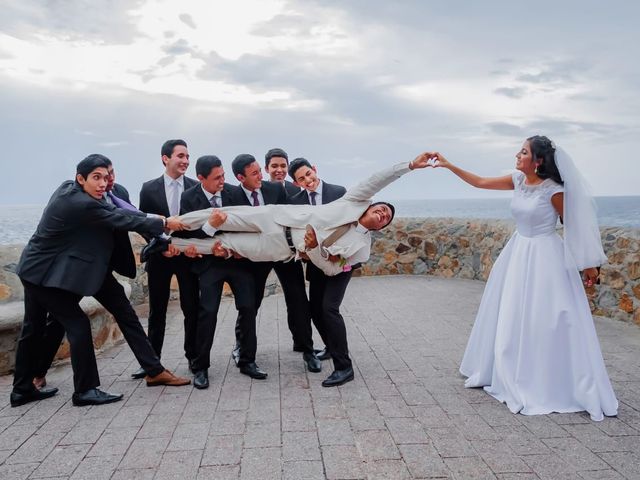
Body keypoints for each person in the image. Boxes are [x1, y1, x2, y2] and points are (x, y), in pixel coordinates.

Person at [163, 152, 434, 386]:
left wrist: (314, 248)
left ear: (381, 227)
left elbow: (330, 268)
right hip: (274, 217)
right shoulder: (351, 201)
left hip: (281, 249)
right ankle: (167, 226)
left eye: (386, 218)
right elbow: (377, 179)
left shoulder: (360, 248)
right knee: (223, 218)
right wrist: (409, 165)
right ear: (373, 205)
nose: (383, 214)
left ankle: (166, 244)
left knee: (224, 243)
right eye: (383, 208)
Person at [432, 135, 617, 421]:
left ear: (538, 160)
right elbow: (480, 182)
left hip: (546, 256)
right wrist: (448, 165)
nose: (517, 156)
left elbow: (575, 227)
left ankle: (546, 378)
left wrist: (589, 266)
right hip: (518, 252)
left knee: (548, 316)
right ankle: (506, 368)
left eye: (523, 152)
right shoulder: (517, 180)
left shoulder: (553, 190)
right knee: (511, 312)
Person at [10, 154, 186, 408]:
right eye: (97, 177)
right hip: (42, 273)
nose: (105, 182)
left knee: (124, 310)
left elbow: (127, 213)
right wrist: (166, 222)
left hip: (84, 267)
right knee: (64, 325)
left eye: (108, 175)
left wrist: (157, 232)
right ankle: (83, 390)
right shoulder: (79, 202)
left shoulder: (97, 192)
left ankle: (153, 370)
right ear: (80, 179)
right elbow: (122, 218)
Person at [174, 155, 260, 385]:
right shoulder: (189, 197)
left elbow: (247, 227)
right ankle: (201, 367)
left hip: (237, 261)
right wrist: (210, 228)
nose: (222, 181)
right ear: (201, 178)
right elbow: (187, 234)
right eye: (216, 178)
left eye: (223, 176)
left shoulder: (235, 193)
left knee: (248, 307)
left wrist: (234, 249)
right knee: (208, 312)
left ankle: (247, 360)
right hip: (209, 264)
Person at [136, 139, 200, 379]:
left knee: (191, 308)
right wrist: (162, 246)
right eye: (180, 156)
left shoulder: (195, 187)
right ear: (165, 158)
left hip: (187, 258)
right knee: (157, 310)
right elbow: (144, 224)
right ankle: (152, 363)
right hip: (160, 258)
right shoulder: (148, 188)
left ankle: (193, 357)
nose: (185, 161)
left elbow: (196, 224)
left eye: (187, 156)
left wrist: (185, 247)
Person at [287, 157, 347, 362]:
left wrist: (342, 254)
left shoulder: (339, 192)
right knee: (315, 309)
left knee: (330, 307)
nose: (308, 180)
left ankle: (340, 354)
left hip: (339, 260)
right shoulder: (296, 202)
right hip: (314, 262)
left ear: (314, 169)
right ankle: (330, 346)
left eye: (309, 174)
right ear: (297, 183)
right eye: (302, 179)